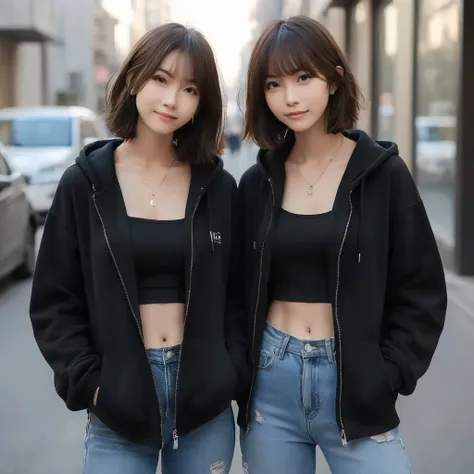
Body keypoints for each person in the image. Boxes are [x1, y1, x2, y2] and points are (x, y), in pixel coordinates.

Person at [29, 23, 248, 474]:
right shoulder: (85, 185)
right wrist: (91, 384)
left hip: (203, 403)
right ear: (133, 79)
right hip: (118, 402)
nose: (172, 100)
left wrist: (229, 371)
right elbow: (54, 299)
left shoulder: (220, 189)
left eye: (190, 88)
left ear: (201, 102)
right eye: (161, 79)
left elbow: (241, 293)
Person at [237, 15, 447, 474]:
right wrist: (241, 371)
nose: (289, 96)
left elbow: (422, 288)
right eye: (273, 83)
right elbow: (233, 291)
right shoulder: (256, 184)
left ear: (334, 79)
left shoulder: (383, 175)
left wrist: (388, 374)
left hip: (355, 381)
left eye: (303, 77)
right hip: (272, 379)